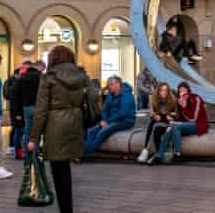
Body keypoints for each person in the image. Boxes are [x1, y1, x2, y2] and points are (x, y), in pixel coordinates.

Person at [28, 45, 95, 213]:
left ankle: (65, 209)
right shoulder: (82, 75)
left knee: (59, 169)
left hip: (55, 125)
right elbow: (94, 96)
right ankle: (67, 208)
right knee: (66, 168)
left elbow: (41, 110)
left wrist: (33, 138)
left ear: (53, 59)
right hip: (76, 123)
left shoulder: (48, 78)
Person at [148, 82, 208, 165]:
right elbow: (179, 119)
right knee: (169, 130)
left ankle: (178, 155)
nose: (182, 92)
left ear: (188, 90)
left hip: (198, 125)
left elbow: (194, 118)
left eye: (184, 90)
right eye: (180, 91)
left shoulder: (195, 98)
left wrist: (185, 107)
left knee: (174, 126)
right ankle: (158, 156)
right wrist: (172, 118)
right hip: (184, 126)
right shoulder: (179, 101)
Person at [83, 76, 135, 158]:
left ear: (118, 84)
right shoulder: (110, 95)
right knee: (91, 131)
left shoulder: (127, 95)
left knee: (103, 132)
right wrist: (104, 120)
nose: (109, 87)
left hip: (125, 121)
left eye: (111, 85)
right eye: (109, 85)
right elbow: (105, 110)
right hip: (110, 120)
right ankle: (86, 151)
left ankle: (84, 154)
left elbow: (123, 113)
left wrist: (107, 121)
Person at [136, 82, 178, 163]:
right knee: (156, 128)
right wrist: (157, 116)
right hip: (157, 124)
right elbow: (152, 114)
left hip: (168, 124)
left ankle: (146, 150)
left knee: (153, 124)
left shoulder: (173, 101)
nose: (164, 92)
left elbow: (173, 116)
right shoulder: (154, 100)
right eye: (162, 90)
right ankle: (158, 154)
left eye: (166, 90)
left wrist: (167, 117)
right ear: (158, 91)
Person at [12, 60, 43, 159]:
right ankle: (35, 152)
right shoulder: (40, 77)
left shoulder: (23, 77)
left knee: (27, 131)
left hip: (26, 107)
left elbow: (17, 94)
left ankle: (26, 153)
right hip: (39, 106)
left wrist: (17, 111)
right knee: (37, 131)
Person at [3, 64, 23, 157]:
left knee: (17, 127)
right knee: (15, 127)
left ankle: (16, 148)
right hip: (14, 107)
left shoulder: (17, 82)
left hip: (17, 107)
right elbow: (6, 94)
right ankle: (12, 147)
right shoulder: (10, 82)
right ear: (16, 74)